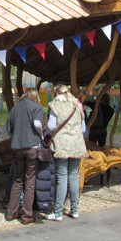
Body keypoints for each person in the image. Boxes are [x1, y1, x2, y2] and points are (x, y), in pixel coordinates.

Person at [44, 84, 88, 221]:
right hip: (77, 145)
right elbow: (83, 129)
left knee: (62, 177)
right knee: (74, 177)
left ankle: (58, 213)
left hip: (61, 145)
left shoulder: (55, 106)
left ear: (56, 93)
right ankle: (75, 210)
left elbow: (51, 126)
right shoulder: (77, 105)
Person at [5, 88, 44, 224]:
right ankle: (27, 214)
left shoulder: (15, 109)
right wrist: (41, 135)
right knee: (30, 181)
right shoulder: (37, 107)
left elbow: (8, 130)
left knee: (17, 179)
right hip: (32, 146)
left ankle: (11, 212)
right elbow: (37, 124)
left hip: (17, 147)